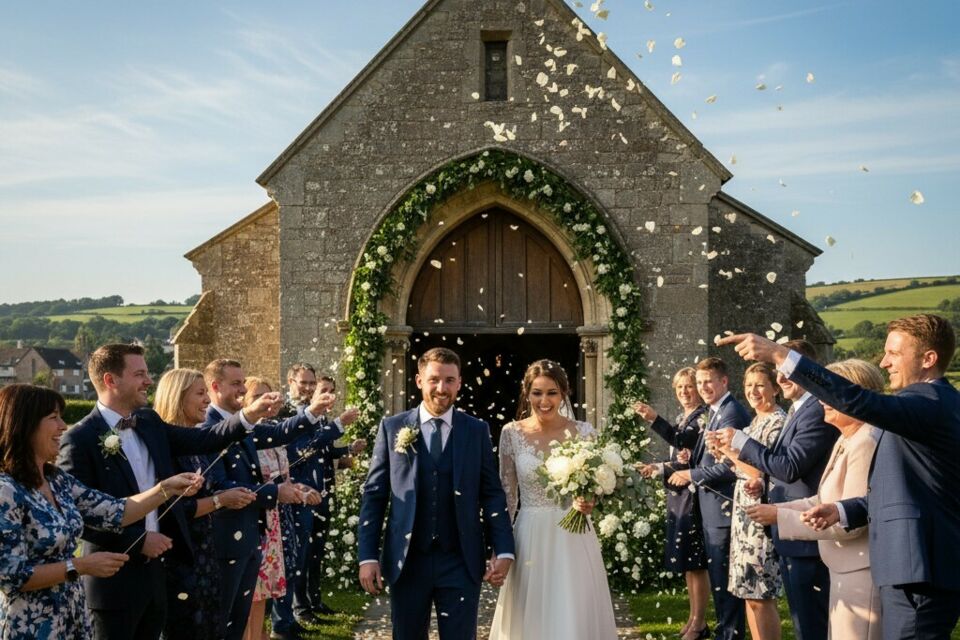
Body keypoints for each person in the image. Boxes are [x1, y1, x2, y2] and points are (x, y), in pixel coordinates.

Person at [719, 313, 960, 639]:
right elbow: (897, 490)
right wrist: (842, 510)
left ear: (929, 358)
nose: (885, 362)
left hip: (920, 569)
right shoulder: (920, 408)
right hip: (905, 568)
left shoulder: (931, 400)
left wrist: (780, 355)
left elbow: (858, 400)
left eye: (894, 353)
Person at [57, 344, 283, 640]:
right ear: (111, 380)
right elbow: (80, 517)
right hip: (114, 580)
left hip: (159, 573)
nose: (148, 381)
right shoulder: (80, 438)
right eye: (140, 374)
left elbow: (203, 438)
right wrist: (139, 541)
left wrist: (248, 416)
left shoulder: (148, 422)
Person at [0, 384, 203, 640]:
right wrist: (80, 565)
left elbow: (115, 510)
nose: (63, 426)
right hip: (31, 624)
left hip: (73, 615)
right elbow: (11, 576)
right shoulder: (5, 491)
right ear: (23, 426)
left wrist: (165, 489)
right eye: (53, 418)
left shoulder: (57, 480)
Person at [357, 347, 515, 640]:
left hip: (460, 558)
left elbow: (492, 493)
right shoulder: (392, 428)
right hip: (408, 561)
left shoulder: (476, 430)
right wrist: (367, 556)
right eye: (434, 379)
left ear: (459, 383)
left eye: (449, 380)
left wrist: (503, 548)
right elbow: (375, 495)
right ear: (419, 381)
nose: (441, 388)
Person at [745, 358, 884, 640]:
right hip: (842, 566)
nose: (822, 400)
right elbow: (823, 498)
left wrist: (780, 517)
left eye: (829, 392)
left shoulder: (865, 440)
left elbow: (851, 518)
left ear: (854, 395)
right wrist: (776, 509)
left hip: (860, 569)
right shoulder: (847, 438)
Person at [714, 339, 836, 640]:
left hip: (803, 525)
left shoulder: (810, 411)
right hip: (778, 519)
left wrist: (738, 446)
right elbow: (775, 469)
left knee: (808, 622)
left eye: (785, 371)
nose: (781, 379)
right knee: (795, 617)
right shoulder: (796, 410)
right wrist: (760, 482)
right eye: (779, 370)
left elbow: (789, 466)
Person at [202, 359, 334, 640]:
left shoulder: (242, 424)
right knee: (222, 623)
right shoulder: (208, 426)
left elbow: (276, 433)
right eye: (236, 383)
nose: (242, 388)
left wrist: (311, 412)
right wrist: (275, 492)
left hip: (250, 535)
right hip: (223, 540)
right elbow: (221, 485)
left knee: (238, 623)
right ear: (215, 386)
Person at [489, 359, 617, 639]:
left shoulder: (584, 432)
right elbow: (507, 496)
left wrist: (589, 501)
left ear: (563, 394)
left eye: (551, 393)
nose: (544, 400)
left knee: (571, 608)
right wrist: (500, 547)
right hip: (529, 535)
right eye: (537, 393)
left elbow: (597, 487)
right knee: (529, 614)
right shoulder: (511, 433)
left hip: (573, 535)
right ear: (527, 394)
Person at [153, 368, 257, 640]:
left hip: (205, 553)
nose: (207, 400)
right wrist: (219, 501)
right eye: (200, 394)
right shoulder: (165, 448)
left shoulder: (197, 441)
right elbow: (173, 512)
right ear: (177, 397)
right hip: (179, 558)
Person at [659, 357, 749, 640]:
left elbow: (733, 466)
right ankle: (726, 632)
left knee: (726, 585)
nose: (703, 387)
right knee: (721, 583)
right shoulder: (716, 411)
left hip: (723, 508)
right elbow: (709, 456)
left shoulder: (731, 413)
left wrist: (691, 475)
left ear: (724, 381)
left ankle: (730, 635)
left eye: (708, 381)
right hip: (712, 509)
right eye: (700, 382)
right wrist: (690, 459)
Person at [633, 367, 710, 640]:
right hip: (679, 495)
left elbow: (681, 441)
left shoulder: (702, 418)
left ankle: (700, 623)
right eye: (679, 388)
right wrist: (657, 467)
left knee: (696, 563)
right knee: (689, 564)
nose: (684, 392)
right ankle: (693, 618)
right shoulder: (683, 417)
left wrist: (654, 418)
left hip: (694, 497)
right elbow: (682, 458)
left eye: (689, 386)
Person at [286, 369, 364, 624]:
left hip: (323, 492)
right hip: (302, 493)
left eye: (331, 392)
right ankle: (300, 608)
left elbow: (326, 450)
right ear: (293, 383)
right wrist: (339, 424)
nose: (325, 395)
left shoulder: (320, 419)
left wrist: (348, 450)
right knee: (303, 551)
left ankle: (314, 599)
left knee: (316, 550)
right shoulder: (293, 416)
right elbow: (305, 449)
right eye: (320, 390)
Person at [714, 363, 784, 640]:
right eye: (748, 386)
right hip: (745, 513)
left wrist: (727, 451)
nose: (753, 391)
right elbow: (745, 468)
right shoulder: (755, 422)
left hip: (762, 512)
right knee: (749, 595)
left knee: (761, 595)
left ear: (775, 388)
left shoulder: (778, 422)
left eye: (760, 385)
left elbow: (761, 471)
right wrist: (724, 453)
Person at [241, 377, 312, 640]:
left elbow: (284, 478)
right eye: (259, 395)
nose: (266, 400)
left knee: (263, 594)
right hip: (257, 519)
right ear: (245, 401)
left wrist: (301, 490)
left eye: (269, 394)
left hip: (276, 520)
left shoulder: (272, 433)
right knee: (250, 594)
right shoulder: (246, 435)